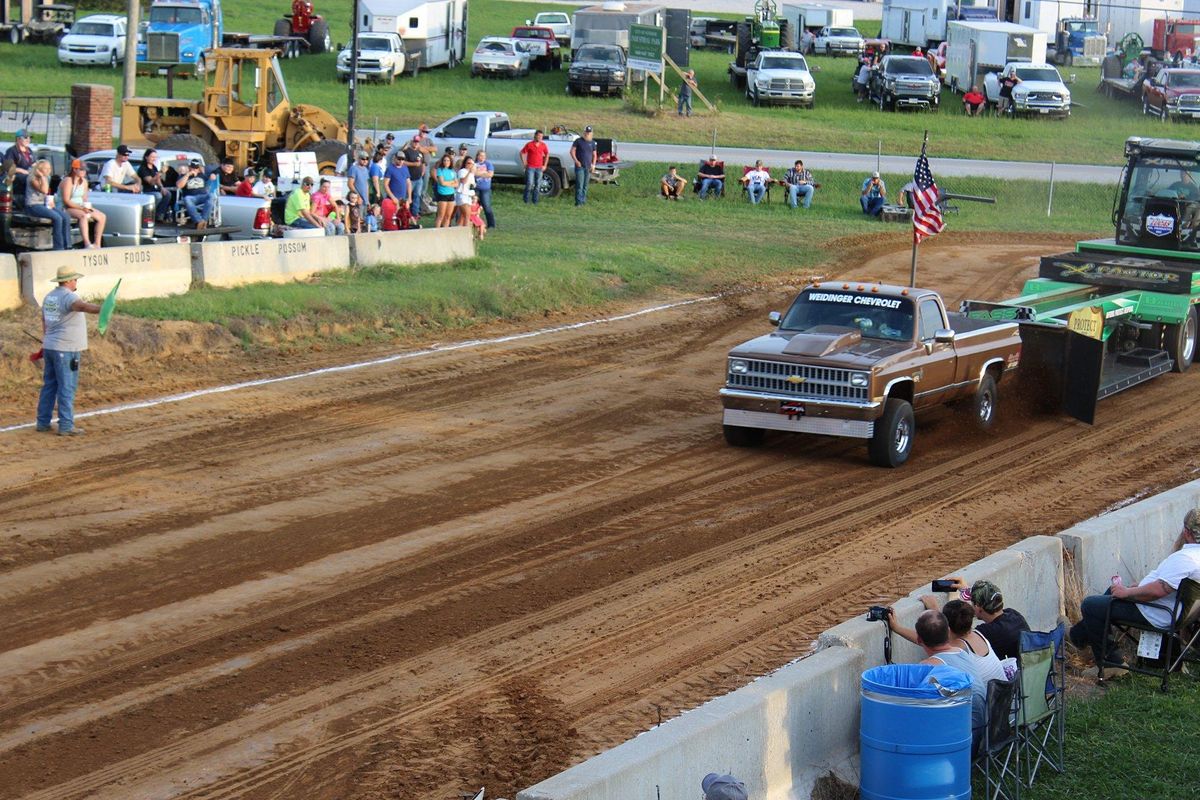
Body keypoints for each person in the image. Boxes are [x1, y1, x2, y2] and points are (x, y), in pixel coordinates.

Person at [1069, 510, 1200, 675]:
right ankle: (1077, 636)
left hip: (1156, 613)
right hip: (1179, 613)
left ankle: (1111, 664)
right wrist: (1137, 588)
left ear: (1187, 532)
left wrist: (1128, 593)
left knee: (1090, 605)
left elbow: (1159, 590)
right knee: (1112, 592)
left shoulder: (1185, 558)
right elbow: (1172, 585)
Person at [904, 609, 1005, 746]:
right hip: (987, 732)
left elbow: (913, 707)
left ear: (919, 639)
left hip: (963, 741)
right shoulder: (962, 652)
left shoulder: (928, 667)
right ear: (948, 632)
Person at [36, 267, 101, 436]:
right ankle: (66, 425)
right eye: (74, 280)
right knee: (66, 387)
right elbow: (82, 306)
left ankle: (42, 422)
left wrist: (46, 342)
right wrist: (102, 308)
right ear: (67, 281)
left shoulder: (49, 297)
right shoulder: (69, 297)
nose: (76, 282)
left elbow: (44, 320)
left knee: (49, 385)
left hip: (50, 346)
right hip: (66, 348)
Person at [966, 580, 1030, 661]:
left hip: (1014, 672)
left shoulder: (986, 632)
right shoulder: (1013, 614)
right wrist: (965, 590)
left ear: (978, 607)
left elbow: (961, 640)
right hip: (1028, 667)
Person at [26, 159, 72, 250]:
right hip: (33, 205)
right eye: (46, 168)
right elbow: (44, 190)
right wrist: (43, 177)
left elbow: (47, 193)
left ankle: (68, 245)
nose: (48, 171)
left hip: (44, 203)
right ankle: (58, 247)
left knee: (65, 217)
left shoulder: (47, 177)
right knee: (57, 218)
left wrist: (51, 201)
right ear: (39, 169)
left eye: (49, 168)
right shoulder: (32, 178)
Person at [60, 160, 106, 249]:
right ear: (74, 169)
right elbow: (66, 201)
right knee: (83, 216)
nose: (83, 172)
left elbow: (84, 198)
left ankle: (97, 243)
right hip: (67, 207)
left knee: (102, 216)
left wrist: (87, 206)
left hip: (80, 206)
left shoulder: (84, 181)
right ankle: (87, 243)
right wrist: (82, 208)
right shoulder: (68, 181)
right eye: (81, 169)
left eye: (85, 170)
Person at [137, 148, 173, 222]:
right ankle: (149, 214)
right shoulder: (143, 168)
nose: (154, 159)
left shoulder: (154, 167)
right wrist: (160, 172)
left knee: (167, 194)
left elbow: (158, 180)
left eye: (155, 157)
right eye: (152, 157)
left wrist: (162, 187)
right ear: (146, 157)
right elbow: (151, 182)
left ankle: (160, 215)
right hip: (146, 191)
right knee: (158, 196)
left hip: (155, 189)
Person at [176, 158, 212, 229]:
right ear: (189, 167)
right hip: (191, 197)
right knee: (187, 199)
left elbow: (210, 181)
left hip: (202, 196)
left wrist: (207, 174)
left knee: (211, 196)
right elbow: (179, 185)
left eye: (196, 168)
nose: (194, 169)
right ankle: (199, 221)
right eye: (193, 168)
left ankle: (203, 220)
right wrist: (187, 175)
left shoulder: (202, 175)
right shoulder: (184, 175)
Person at [569, 126, 598, 207]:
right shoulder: (578, 141)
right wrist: (576, 161)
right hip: (580, 166)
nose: (587, 134)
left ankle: (583, 201)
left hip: (588, 167)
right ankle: (578, 202)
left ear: (591, 133)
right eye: (586, 132)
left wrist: (593, 165)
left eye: (589, 133)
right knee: (579, 185)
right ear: (584, 132)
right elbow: (572, 151)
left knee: (585, 185)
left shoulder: (592, 143)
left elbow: (594, 155)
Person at [403, 135, 430, 217]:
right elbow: (403, 162)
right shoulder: (407, 151)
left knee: (417, 196)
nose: (416, 143)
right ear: (412, 142)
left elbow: (423, 163)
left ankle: (415, 213)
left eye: (417, 142)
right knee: (407, 196)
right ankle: (405, 212)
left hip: (419, 178)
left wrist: (423, 171)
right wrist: (413, 164)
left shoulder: (420, 152)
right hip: (410, 178)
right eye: (414, 141)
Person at [520, 130, 550, 204]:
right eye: (539, 136)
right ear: (535, 136)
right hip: (530, 167)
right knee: (529, 183)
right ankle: (526, 200)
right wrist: (524, 163)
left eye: (541, 136)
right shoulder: (529, 144)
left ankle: (535, 201)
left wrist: (545, 165)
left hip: (539, 168)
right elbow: (522, 153)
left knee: (538, 185)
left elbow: (547, 154)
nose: (540, 138)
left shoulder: (543, 145)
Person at [3, 129, 35, 194]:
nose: (28, 140)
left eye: (29, 138)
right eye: (26, 138)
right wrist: (23, 171)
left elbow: (33, 163)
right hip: (18, 179)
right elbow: (8, 168)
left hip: (29, 174)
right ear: (18, 139)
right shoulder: (11, 151)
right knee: (30, 178)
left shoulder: (29, 150)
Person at [432, 153, 458, 227]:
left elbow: (457, 184)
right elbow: (442, 182)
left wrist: (449, 183)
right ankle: (437, 231)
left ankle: (445, 232)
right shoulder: (440, 170)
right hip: (443, 194)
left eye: (448, 160)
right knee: (441, 215)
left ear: (450, 162)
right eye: (445, 160)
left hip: (451, 194)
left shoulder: (452, 171)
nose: (446, 162)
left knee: (448, 216)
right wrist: (452, 182)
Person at [474, 150, 496, 229]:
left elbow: (490, 174)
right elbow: (473, 173)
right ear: (477, 156)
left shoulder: (488, 164)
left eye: (483, 156)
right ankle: (475, 223)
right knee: (473, 207)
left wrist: (478, 173)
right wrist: (484, 173)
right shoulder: (474, 164)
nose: (482, 157)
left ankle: (491, 224)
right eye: (480, 155)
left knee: (487, 207)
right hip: (475, 189)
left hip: (485, 189)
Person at [454, 155, 476, 227]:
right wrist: (469, 172)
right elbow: (463, 181)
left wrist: (473, 195)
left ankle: (458, 229)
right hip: (462, 195)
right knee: (467, 214)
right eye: (468, 163)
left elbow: (471, 186)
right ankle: (466, 232)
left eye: (471, 163)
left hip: (468, 195)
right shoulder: (462, 171)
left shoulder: (472, 174)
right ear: (465, 163)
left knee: (463, 215)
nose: (470, 165)